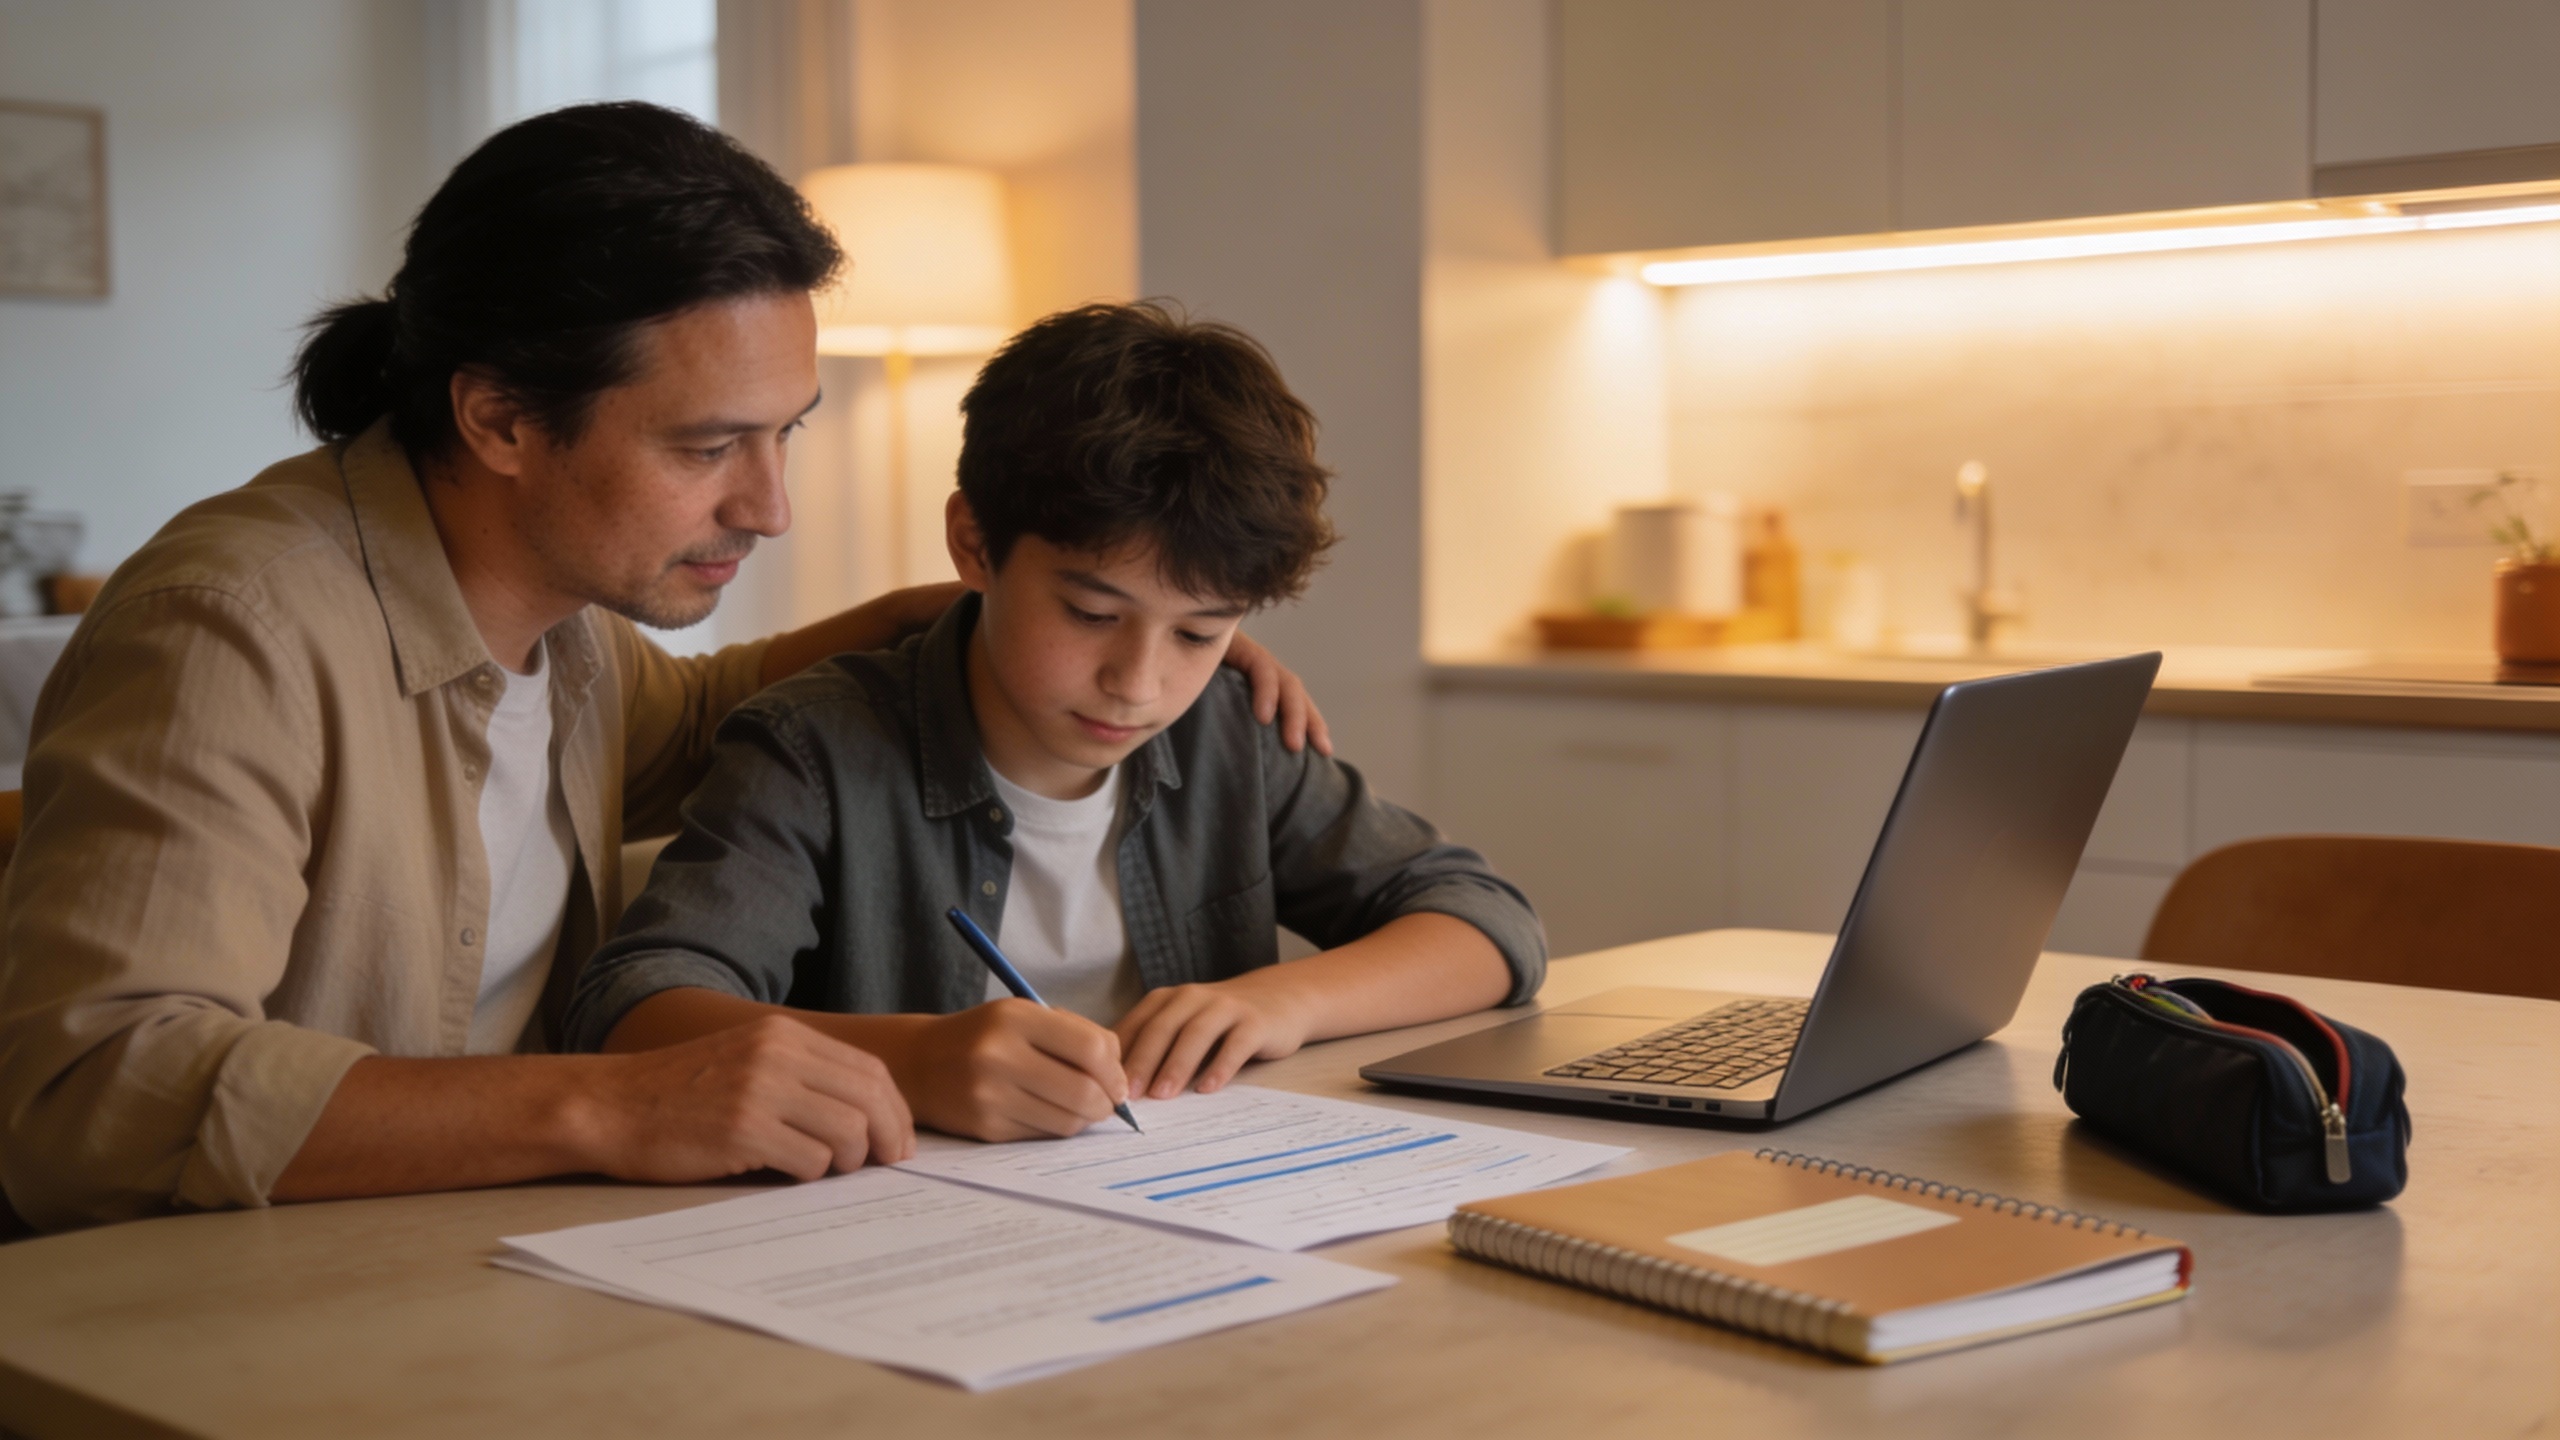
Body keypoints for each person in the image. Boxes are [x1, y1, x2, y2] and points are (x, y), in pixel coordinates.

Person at [0, 105, 1323, 1232]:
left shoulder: (564, 629)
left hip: (505, 1273)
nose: (770, 508)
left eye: (785, 436)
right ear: (501, 416)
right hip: (241, 1316)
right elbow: (91, 1088)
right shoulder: (236, 626)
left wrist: (1091, 614)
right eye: (708, 450)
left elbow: (705, 711)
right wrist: (615, 1101)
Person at [564, 302, 1543, 1141]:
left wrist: (1281, 998)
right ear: (973, 543)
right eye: (1091, 615)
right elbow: (635, 1009)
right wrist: (913, 1059)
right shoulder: (815, 749)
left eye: (1200, 634)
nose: (1137, 683)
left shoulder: (1229, 735)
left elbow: (1486, 925)